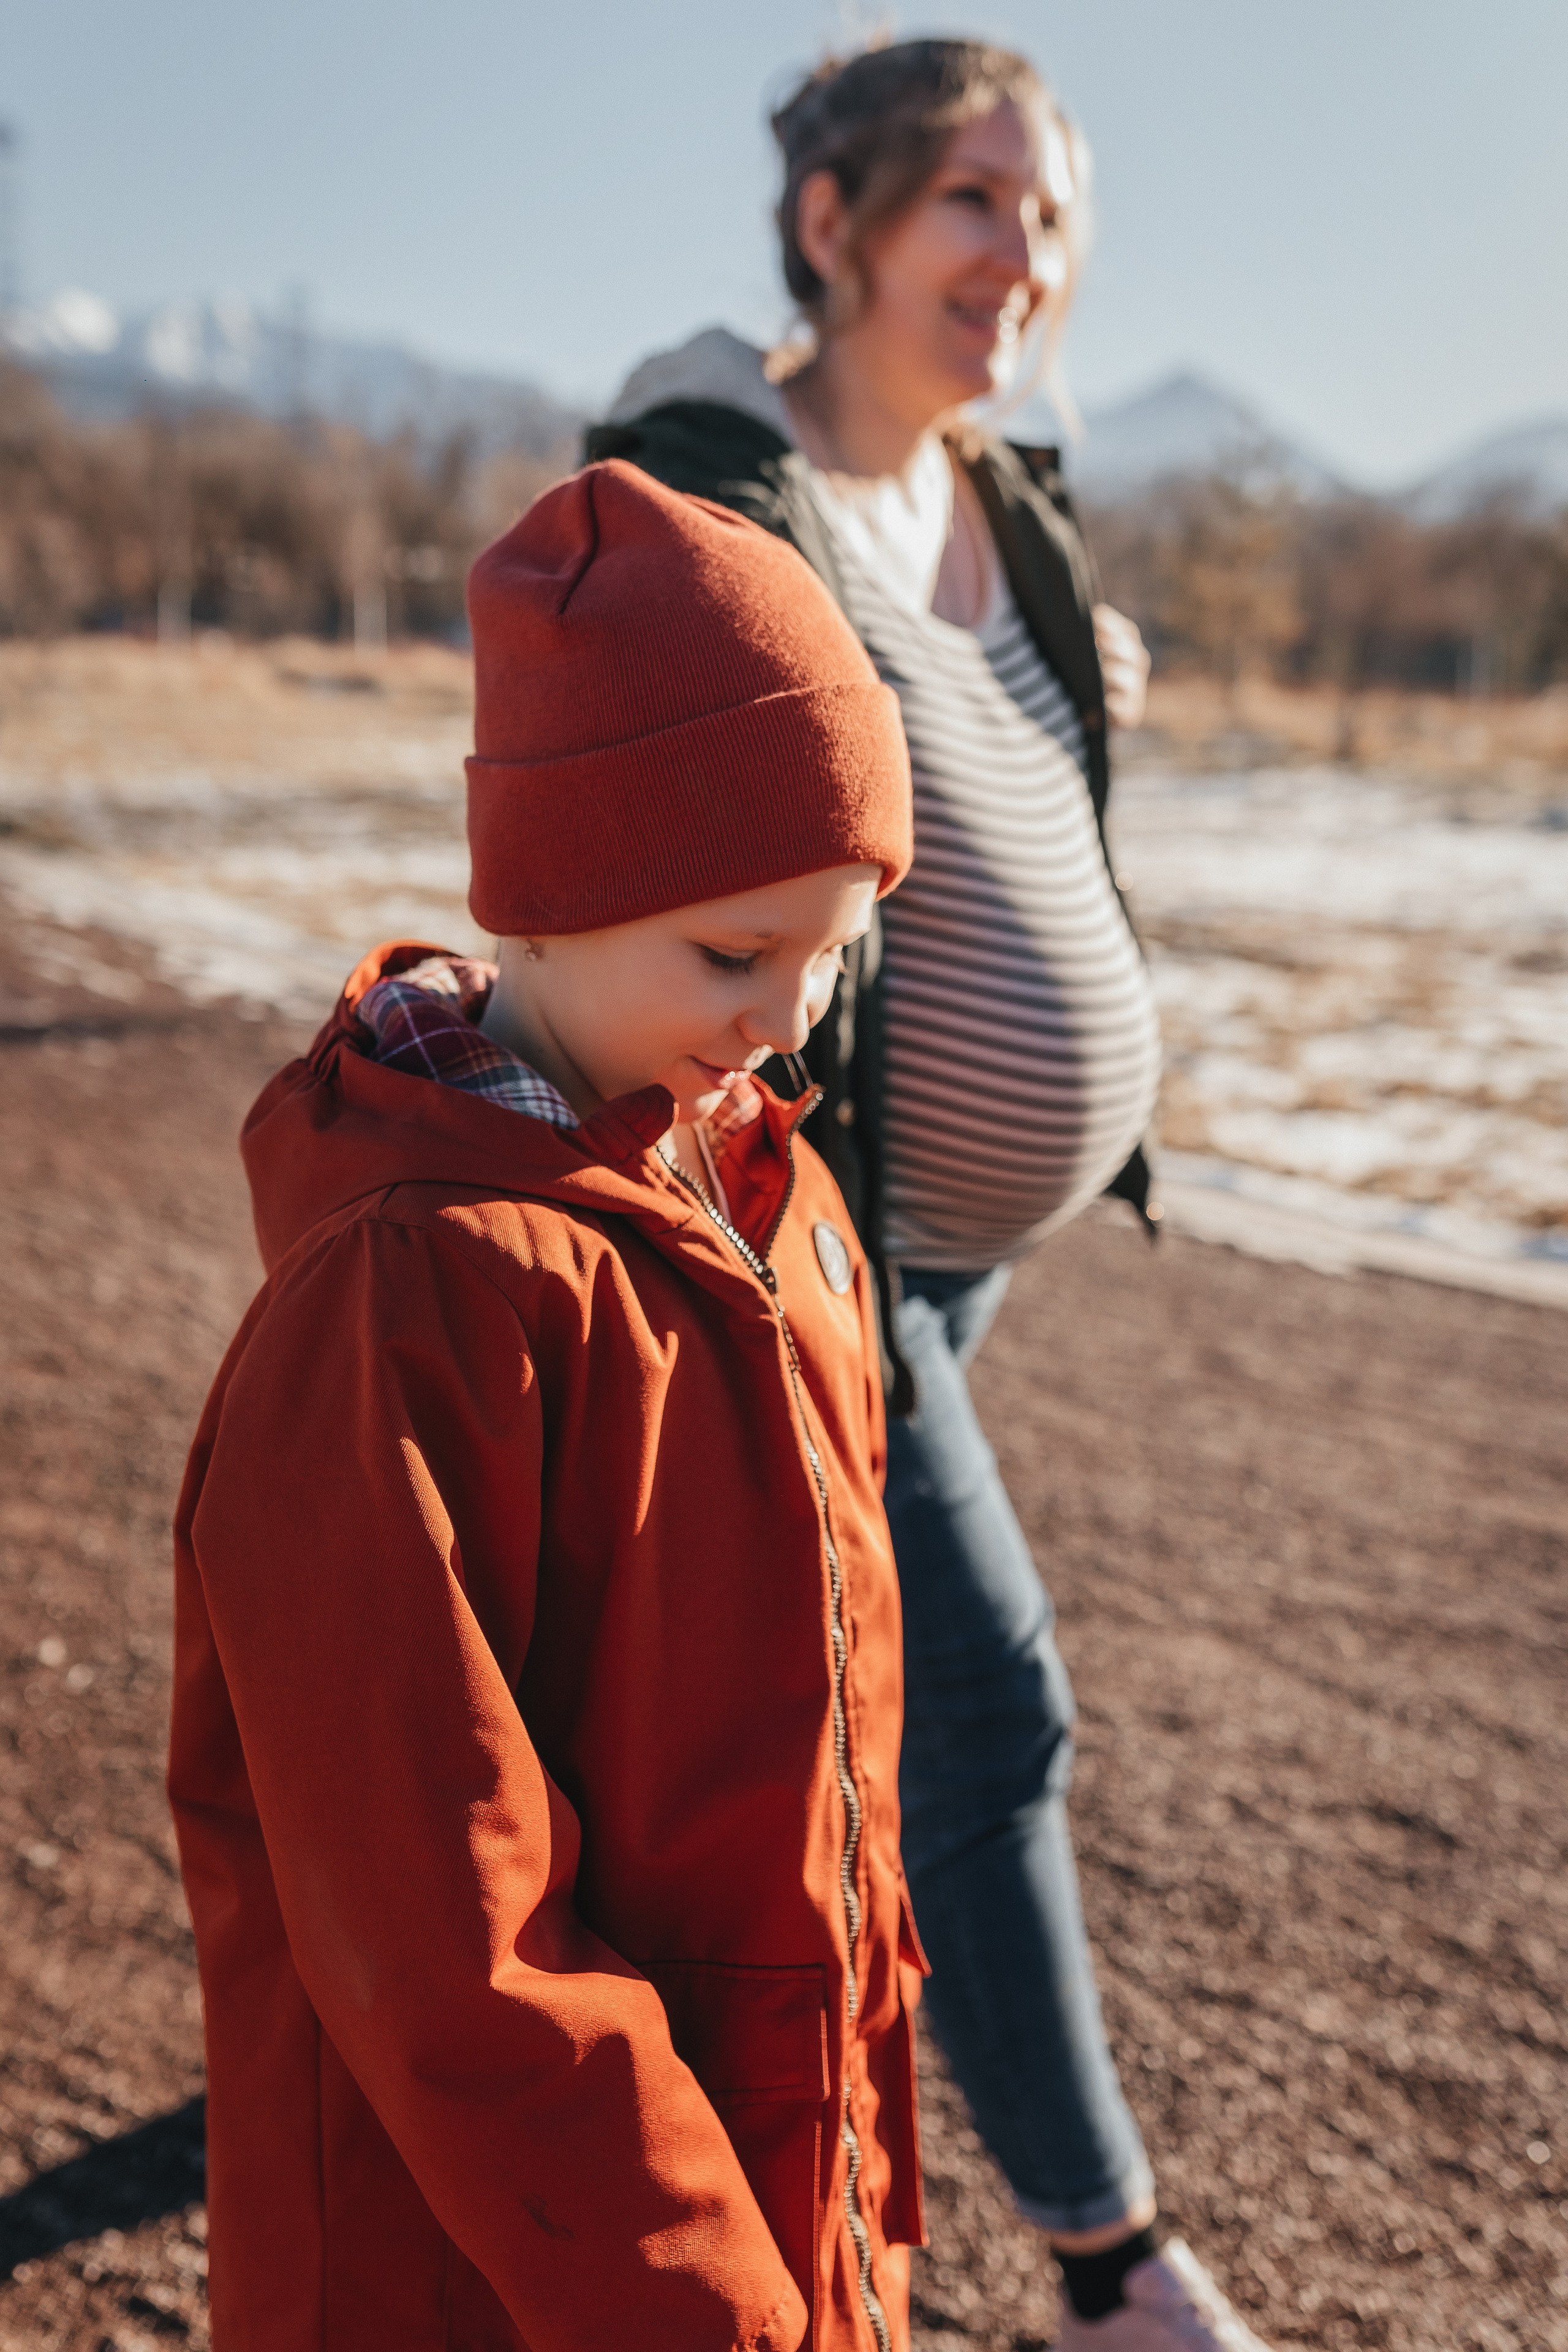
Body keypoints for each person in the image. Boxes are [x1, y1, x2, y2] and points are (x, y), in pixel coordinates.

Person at [588, 38, 1279, 2352]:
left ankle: (578, 1945)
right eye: (978, 201)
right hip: (829, 1216)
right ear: (837, 228)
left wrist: (1078, 674)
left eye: (1051, 211)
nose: (1028, 254)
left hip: (978, 1249)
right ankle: (1107, 2268)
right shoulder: (716, 485)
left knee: (785, 1660)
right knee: (987, 1707)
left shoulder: (1009, 502)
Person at [167, 462, 928, 2351]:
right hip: (502, 2274)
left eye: (836, 953)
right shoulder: (405, 1304)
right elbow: (443, 1928)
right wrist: (707, 2305)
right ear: (545, 904)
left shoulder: (770, 1205)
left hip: (764, 2197)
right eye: (736, 953)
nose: (790, 1021)